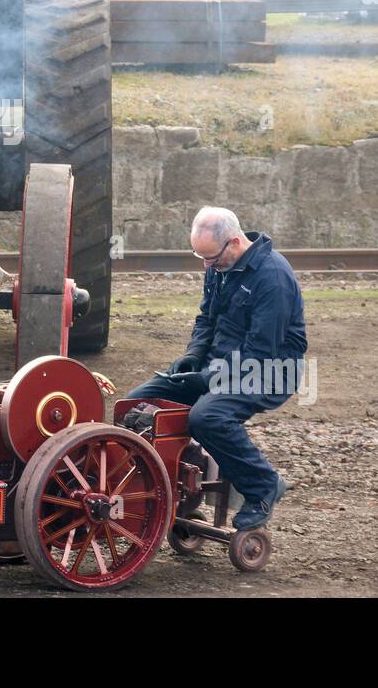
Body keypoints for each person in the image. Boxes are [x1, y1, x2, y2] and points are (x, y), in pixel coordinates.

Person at [125, 206, 307, 530]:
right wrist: (193, 357)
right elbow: (206, 319)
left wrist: (208, 378)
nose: (206, 266)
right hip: (220, 365)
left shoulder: (273, 278)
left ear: (234, 242)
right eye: (201, 257)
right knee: (137, 402)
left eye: (210, 258)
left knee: (208, 417)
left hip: (268, 370)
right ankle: (164, 492)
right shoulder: (220, 265)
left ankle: (263, 486)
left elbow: (260, 352)